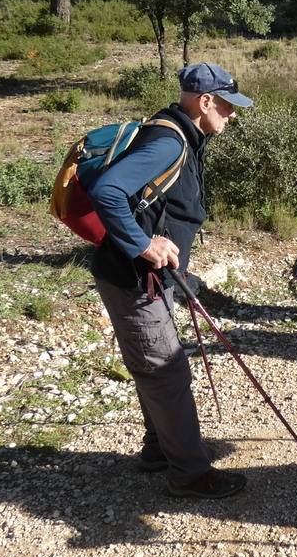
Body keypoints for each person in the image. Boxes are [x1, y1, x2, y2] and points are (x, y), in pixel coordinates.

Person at [88, 62, 254, 500]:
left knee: (154, 365)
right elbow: (108, 191)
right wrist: (144, 246)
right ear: (204, 102)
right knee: (167, 370)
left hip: (146, 278)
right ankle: (190, 474)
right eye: (227, 105)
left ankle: (159, 448)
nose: (232, 114)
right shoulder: (168, 143)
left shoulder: (175, 130)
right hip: (133, 277)